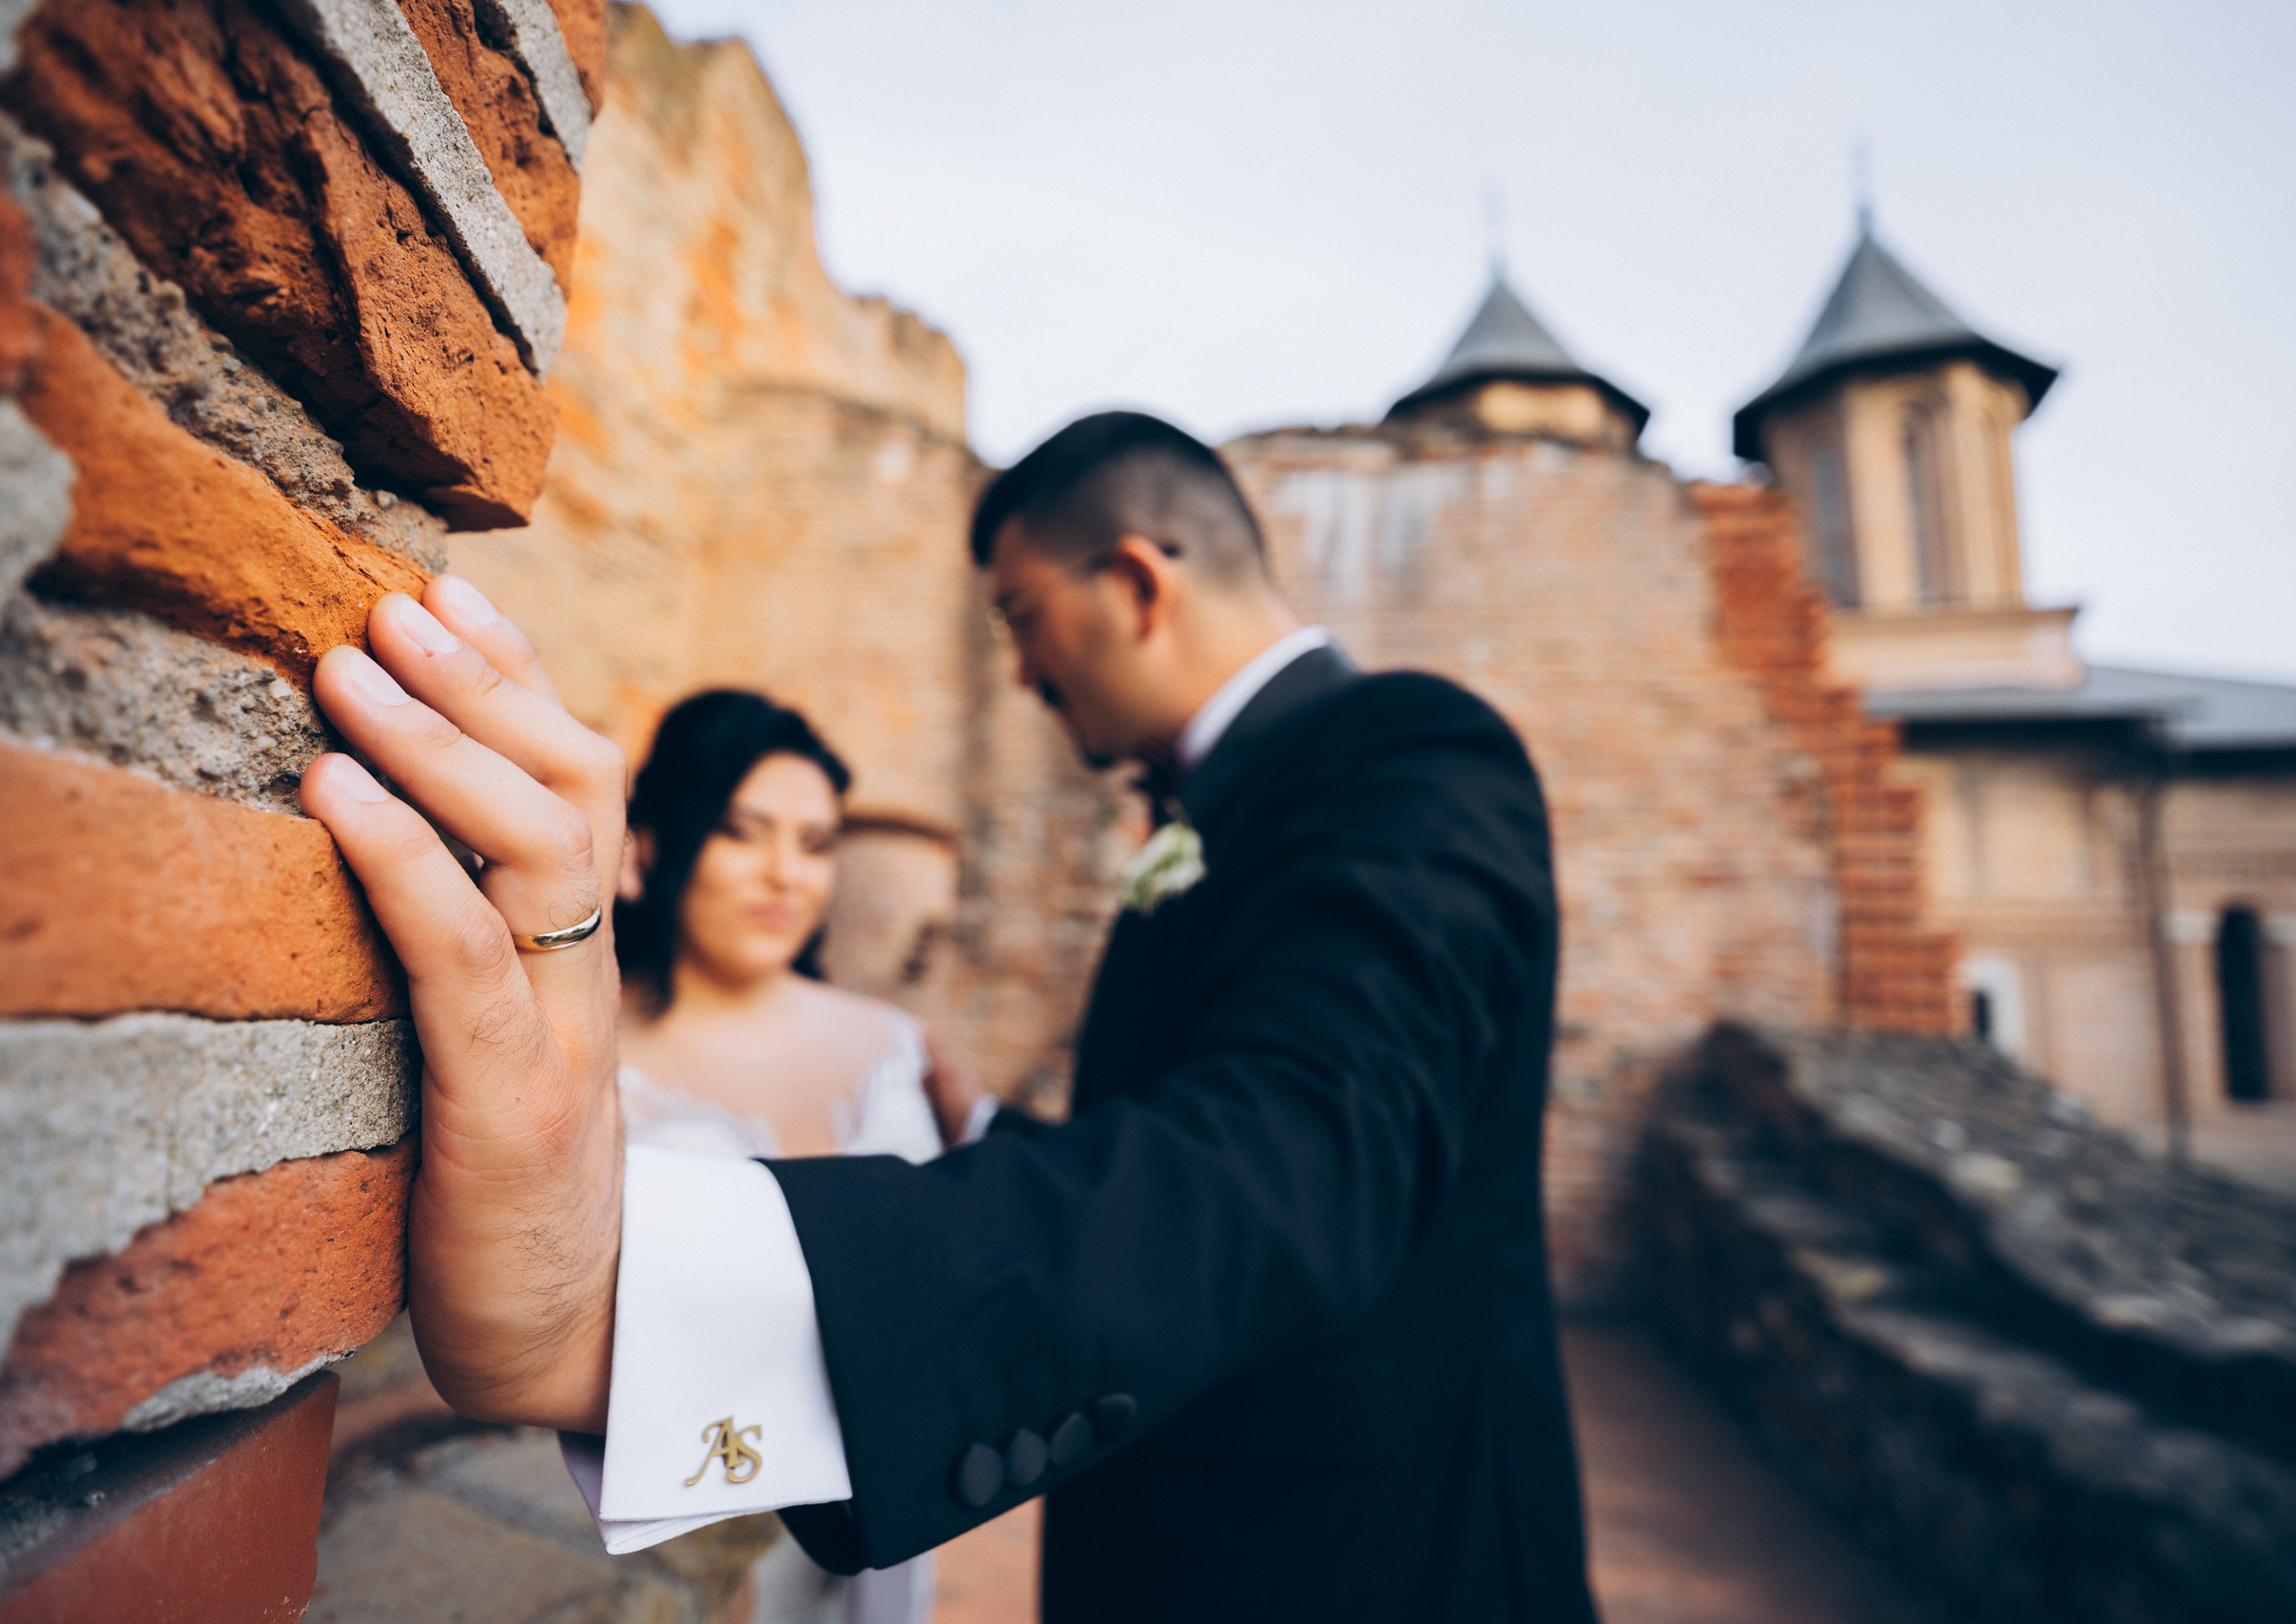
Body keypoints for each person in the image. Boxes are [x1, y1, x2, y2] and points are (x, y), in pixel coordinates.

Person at [300, 411, 1599, 1622]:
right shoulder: (1220, 802)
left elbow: (1298, 1154)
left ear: (1140, 583)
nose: (1022, 667)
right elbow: (1210, 1116)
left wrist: (625, 1298)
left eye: (1022, 615)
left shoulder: (1409, 750)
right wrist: (1004, 1130)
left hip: (1363, 1557)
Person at [585, 689, 968, 1622]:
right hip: (674, 1520)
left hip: (895, 1508)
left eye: (815, 843)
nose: (784, 876)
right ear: (653, 845)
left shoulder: (899, 1047)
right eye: (741, 832)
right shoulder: (592, 1065)